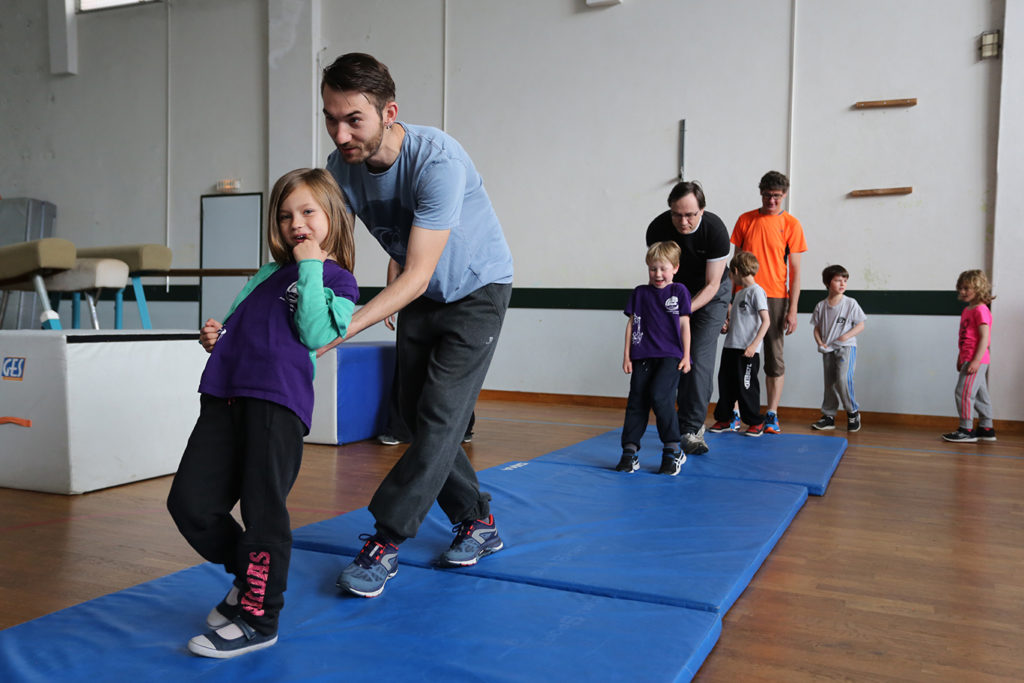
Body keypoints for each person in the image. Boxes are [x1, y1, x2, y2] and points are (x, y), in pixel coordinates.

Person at [318, 53, 514, 597]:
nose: (340, 134)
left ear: (389, 113)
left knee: (440, 416)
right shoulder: (340, 168)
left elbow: (419, 270)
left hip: (476, 289)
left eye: (353, 119)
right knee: (414, 416)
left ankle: (385, 541)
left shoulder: (437, 160)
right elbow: (327, 253)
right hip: (423, 294)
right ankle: (478, 522)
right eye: (330, 119)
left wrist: (345, 328)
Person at [166, 168, 358, 658]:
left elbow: (315, 333)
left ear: (332, 216)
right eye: (286, 215)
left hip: (275, 403)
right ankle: (249, 576)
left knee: (262, 512)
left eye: (308, 212)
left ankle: (259, 616)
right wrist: (217, 336)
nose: (297, 223)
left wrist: (310, 266)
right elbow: (244, 325)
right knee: (189, 503)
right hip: (224, 396)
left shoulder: (338, 280)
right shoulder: (268, 274)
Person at [645, 181, 731, 455]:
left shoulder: (715, 230)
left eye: (690, 215)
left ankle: (692, 430)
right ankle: (672, 421)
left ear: (701, 210)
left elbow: (713, 285)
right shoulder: (657, 228)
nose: (683, 221)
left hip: (711, 295)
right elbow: (660, 274)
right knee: (671, 353)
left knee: (697, 356)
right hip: (674, 293)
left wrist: (683, 311)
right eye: (677, 214)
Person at [730, 171, 807, 434]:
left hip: (775, 297)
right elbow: (734, 265)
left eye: (776, 196)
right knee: (738, 355)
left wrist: (793, 309)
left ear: (784, 195)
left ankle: (771, 414)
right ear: (760, 193)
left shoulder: (792, 225)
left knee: (774, 357)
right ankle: (735, 413)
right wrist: (729, 301)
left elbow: (795, 271)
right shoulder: (745, 220)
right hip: (743, 295)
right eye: (766, 195)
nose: (771, 200)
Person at [616, 242, 692, 475]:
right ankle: (629, 452)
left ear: (675, 268)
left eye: (663, 269)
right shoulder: (640, 293)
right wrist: (627, 355)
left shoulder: (679, 291)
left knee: (661, 396)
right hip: (642, 356)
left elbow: (685, 325)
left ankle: (672, 449)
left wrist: (686, 355)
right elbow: (632, 324)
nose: (658, 274)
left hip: (670, 356)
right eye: (653, 269)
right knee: (636, 401)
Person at [707, 252, 770, 436]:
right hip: (730, 348)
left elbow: (766, 321)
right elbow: (740, 321)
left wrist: (753, 345)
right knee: (726, 384)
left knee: (746, 387)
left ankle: (755, 422)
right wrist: (727, 327)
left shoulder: (756, 291)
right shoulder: (739, 293)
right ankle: (724, 419)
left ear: (735, 270)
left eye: (730, 274)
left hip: (746, 350)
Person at [809, 265, 866, 432]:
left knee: (843, 379)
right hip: (828, 350)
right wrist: (820, 342)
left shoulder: (850, 303)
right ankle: (829, 416)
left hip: (846, 348)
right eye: (838, 280)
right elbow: (816, 328)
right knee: (829, 383)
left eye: (845, 281)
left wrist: (846, 336)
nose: (842, 284)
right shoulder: (821, 306)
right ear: (828, 283)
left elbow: (860, 325)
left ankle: (852, 412)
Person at [942, 270, 997, 443]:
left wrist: (976, 360)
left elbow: (984, 338)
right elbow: (966, 337)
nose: (962, 291)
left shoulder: (981, 310)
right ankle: (986, 428)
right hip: (968, 358)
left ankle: (966, 429)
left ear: (978, 288)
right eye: (960, 288)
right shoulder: (968, 310)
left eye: (967, 288)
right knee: (980, 394)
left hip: (976, 359)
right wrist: (961, 358)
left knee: (963, 392)